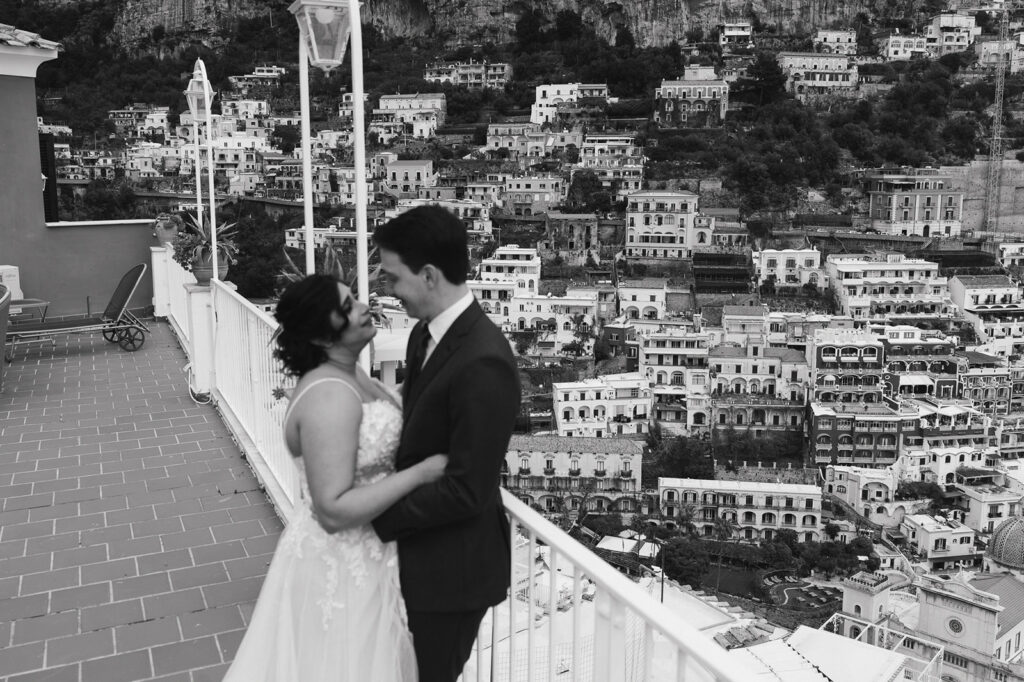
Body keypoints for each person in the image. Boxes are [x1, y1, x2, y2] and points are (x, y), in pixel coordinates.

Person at [222, 275, 447, 682]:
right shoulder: (330, 395)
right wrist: (420, 473)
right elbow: (332, 508)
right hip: (343, 566)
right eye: (347, 307)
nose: (363, 307)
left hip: (375, 555)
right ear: (323, 338)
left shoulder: (355, 377)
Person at [372, 206, 522, 682]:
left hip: (453, 571)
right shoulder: (424, 334)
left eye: (393, 277)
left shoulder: (484, 360)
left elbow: (467, 488)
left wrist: (375, 516)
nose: (387, 289)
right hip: (420, 554)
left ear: (430, 275)